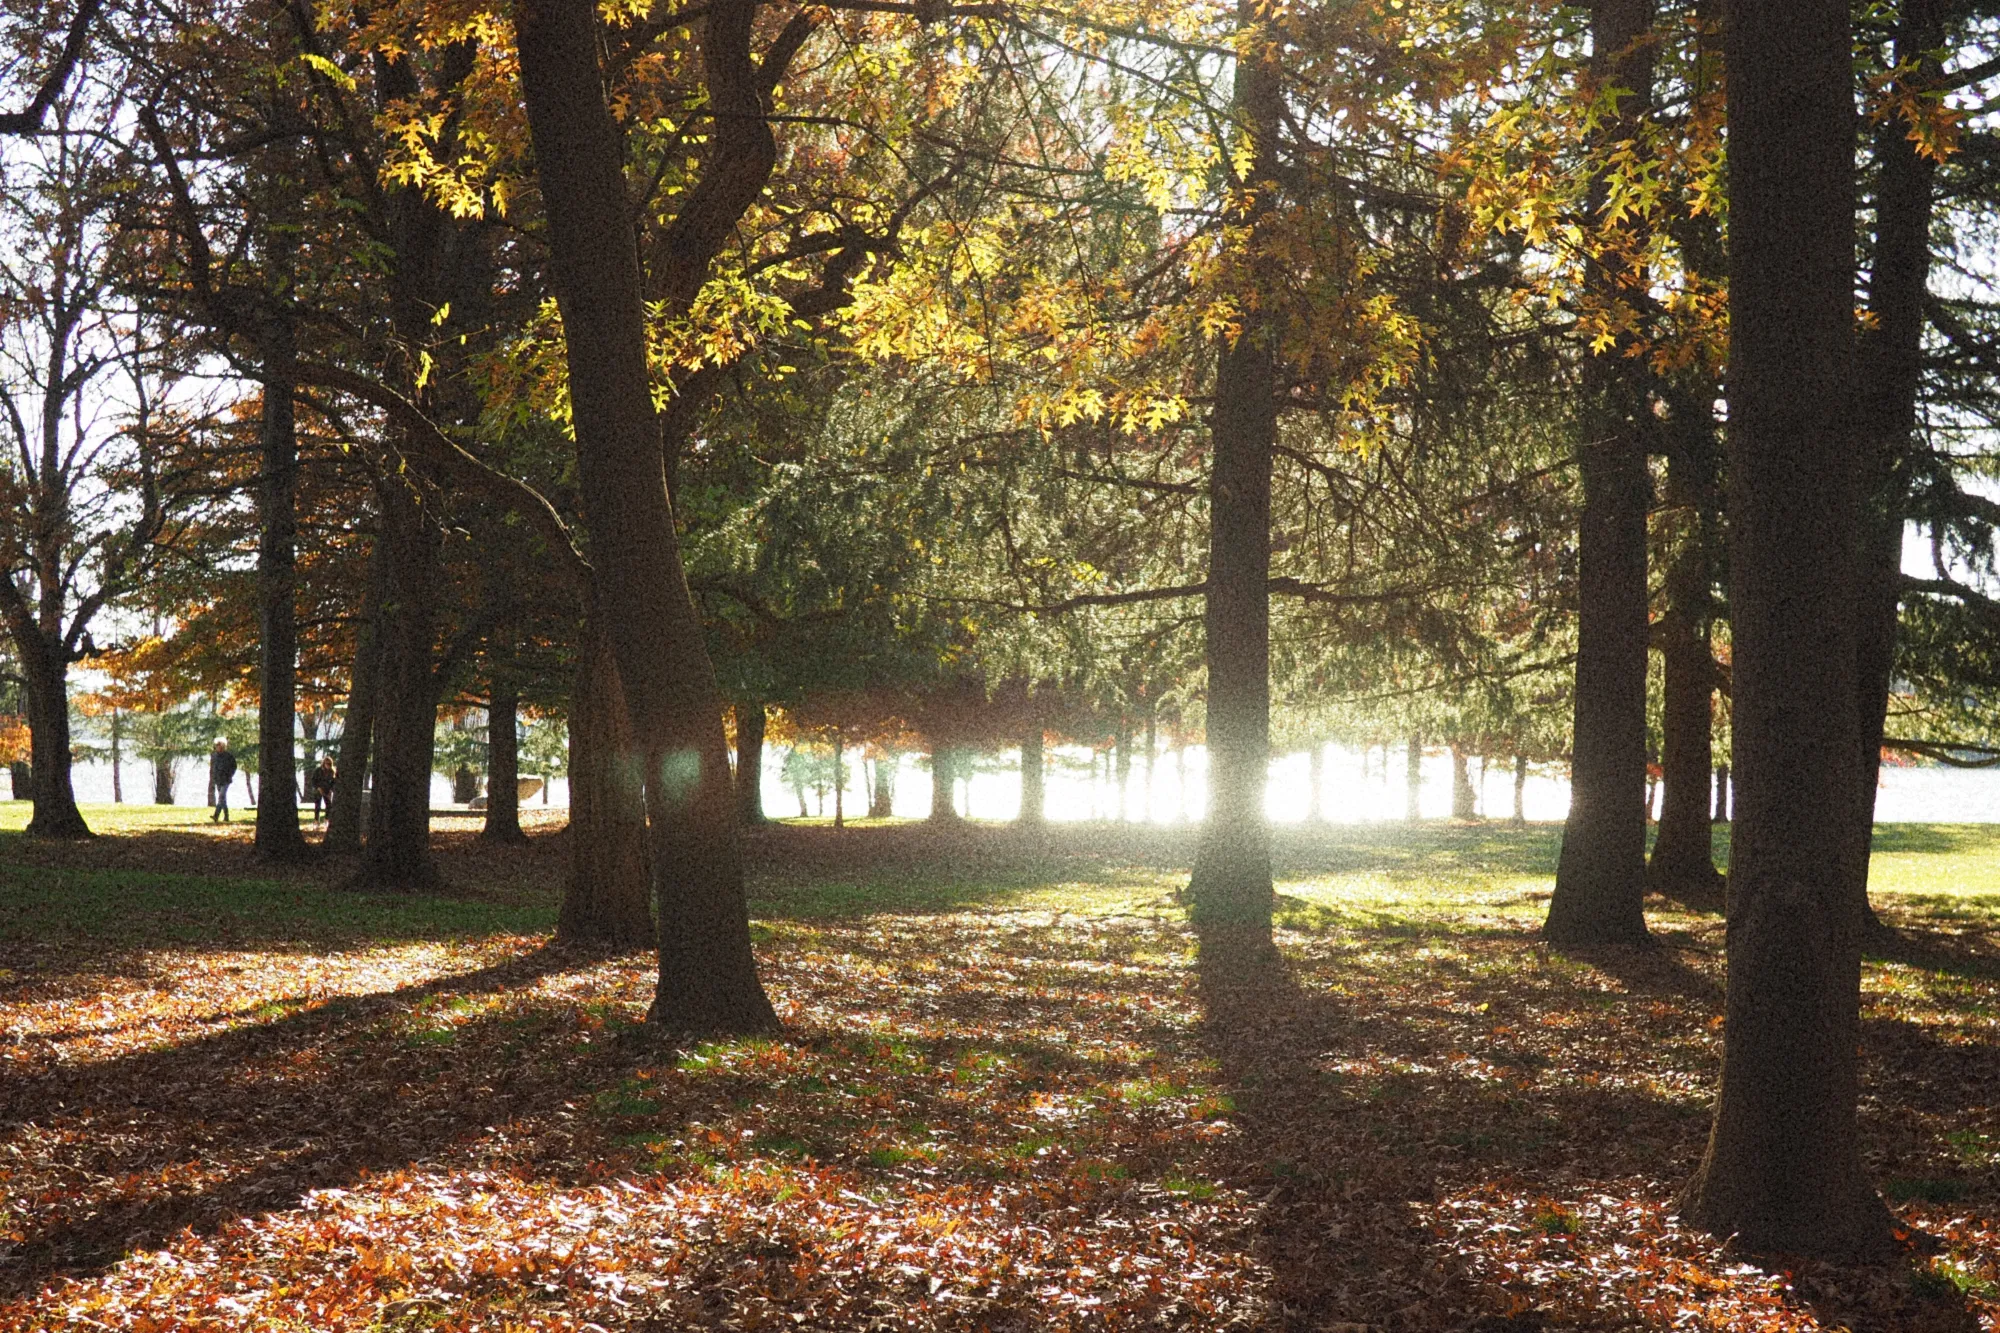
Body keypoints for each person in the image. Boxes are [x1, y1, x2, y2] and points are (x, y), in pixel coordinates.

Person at [209, 738, 238, 824]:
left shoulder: (229, 756)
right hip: (218, 780)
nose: (218, 747)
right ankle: (226, 816)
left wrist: (230, 774)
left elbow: (234, 766)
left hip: (226, 780)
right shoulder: (214, 756)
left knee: (221, 797)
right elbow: (213, 768)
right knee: (223, 799)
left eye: (220, 746)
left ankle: (216, 815)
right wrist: (213, 778)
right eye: (217, 746)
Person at [310, 755, 337, 820]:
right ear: (324, 763)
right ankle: (316, 820)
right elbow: (313, 780)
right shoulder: (318, 770)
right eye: (327, 764)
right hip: (318, 790)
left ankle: (326, 820)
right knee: (317, 806)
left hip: (327, 790)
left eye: (330, 764)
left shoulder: (332, 771)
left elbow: (334, 782)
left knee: (328, 806)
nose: (328, 765)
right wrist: (318, 788)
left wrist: (331, 790)